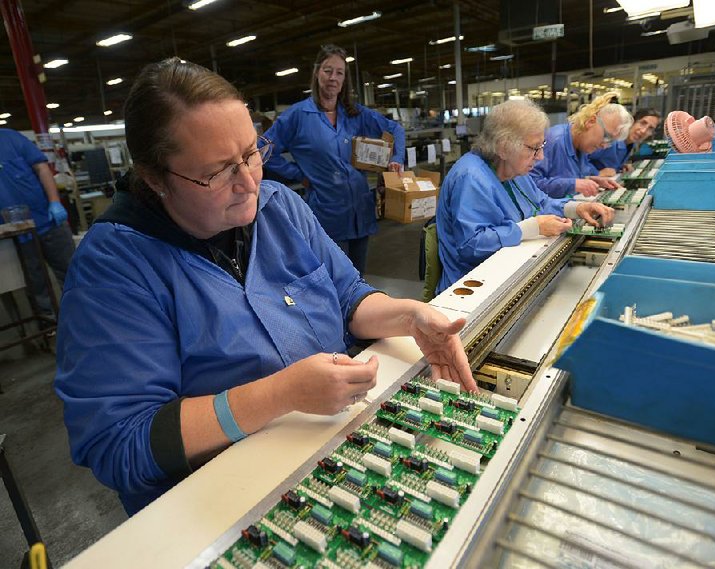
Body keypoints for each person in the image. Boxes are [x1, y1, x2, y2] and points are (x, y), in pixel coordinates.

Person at [54, 58, 476, 516]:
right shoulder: (116, 267)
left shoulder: (281, 208)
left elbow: (349, 296)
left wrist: (409, 315)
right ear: (155, 178)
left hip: (329, 448)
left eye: (252, 154)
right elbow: (120, 443)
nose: (250, 182)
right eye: (217, 172)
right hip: (221, 502)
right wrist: (280, 395)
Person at [436, 100, 615, 294]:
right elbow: (471, 245)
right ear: (503, 147)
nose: (541, 157)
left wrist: (577, 208)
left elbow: (541, 202)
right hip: (474, 284)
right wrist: (532, 227)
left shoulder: (514, 171)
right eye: (534, 148)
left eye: (542, 146)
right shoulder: (470, 178)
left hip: (512, 268)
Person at [265, 44, 405, 274]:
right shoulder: (298, 115)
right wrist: (299, 175)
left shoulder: (355, 114)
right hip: (327, 213)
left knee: (358, 278)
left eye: (339, 72)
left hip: (361, 210)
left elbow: (395, 129)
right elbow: (264, 149)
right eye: (328, 71)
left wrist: (396, 159)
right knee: (333, 279)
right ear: (317, 72)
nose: (333, 78)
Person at [0, 128, 74, 318]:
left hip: (48, 219)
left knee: (72, 271)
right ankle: (49, 323)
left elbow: (42, 169)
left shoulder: (11, 138)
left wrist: (55, 202)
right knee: (35, 282)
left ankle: (84, 314)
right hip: (15, 233)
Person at [530, 92, 632, 199]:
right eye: (607, 137)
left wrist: (591, 180)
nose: (605, 146)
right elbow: (528, 186)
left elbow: (565, 176)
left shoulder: (581, 147)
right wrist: (573, 184)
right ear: (591, 122)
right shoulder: (553, 141)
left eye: (611, 142)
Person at [588, 108, 661, 175]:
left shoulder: (628, 144)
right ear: (632, 121)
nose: (643, 130)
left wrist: (619, 167)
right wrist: (597, 172)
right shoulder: (610, 140)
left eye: (650, 128)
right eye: (642, 123)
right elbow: (580, 159)